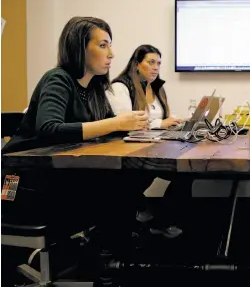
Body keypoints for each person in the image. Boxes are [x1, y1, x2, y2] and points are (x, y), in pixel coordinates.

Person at [1, 16, 151, 284]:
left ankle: (108, 262)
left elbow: (104, 128)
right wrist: (114, 123)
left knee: (128, 186)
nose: (112, 54)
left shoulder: (93, 89)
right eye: (103, 45)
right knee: (119, 194)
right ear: (79, 47)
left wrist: (132, 127)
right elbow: (49, 128)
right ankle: (105, 265)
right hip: (23, 186)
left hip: (57, 179)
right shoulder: (57, 80)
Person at [106, 44, 193, 238]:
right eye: (151, 62)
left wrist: (175, 123)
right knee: (181, 172)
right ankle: (151, 216)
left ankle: (156, 216)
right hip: (128, 149)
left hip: (154, 145)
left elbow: (161, 118)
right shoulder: (121, 86)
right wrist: (161, 123)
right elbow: (126, 122)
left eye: (159, 63)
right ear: (137, 64)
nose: (156, 67)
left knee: (187, 170)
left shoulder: (155, 87)